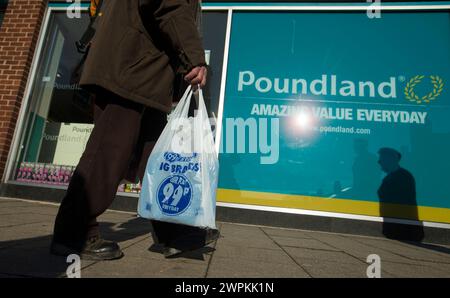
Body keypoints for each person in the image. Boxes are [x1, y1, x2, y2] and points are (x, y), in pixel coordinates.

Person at [50, 0, 217, 261]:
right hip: (129, 69)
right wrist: (195, 56)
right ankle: (73, 231)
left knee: (155, 158)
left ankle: (175, 232)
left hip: (140, 71)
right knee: (108, 151)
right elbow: (169, 6)